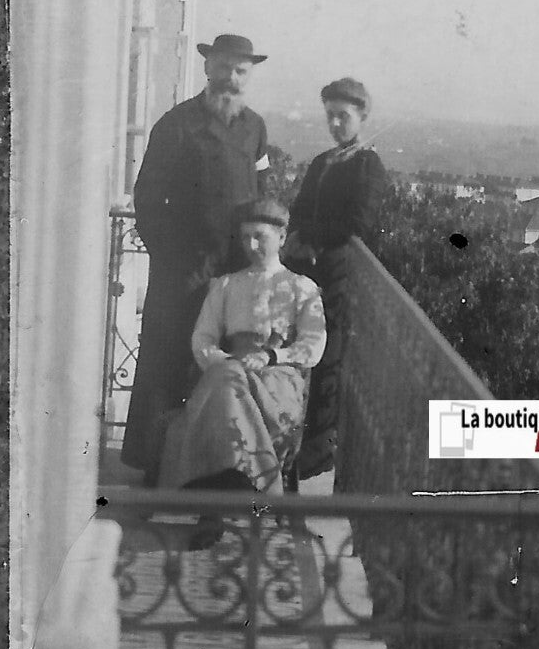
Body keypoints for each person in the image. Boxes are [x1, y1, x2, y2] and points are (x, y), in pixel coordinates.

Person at [121, 33, 272, 481]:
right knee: (167, 359)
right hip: (182, 271)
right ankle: (154, 467)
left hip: (234, 272)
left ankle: (215, 472)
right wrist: (169, 255)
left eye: (240, 70)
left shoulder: (255, 128)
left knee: (224, 367)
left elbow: (262, 194)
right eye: (223, 67)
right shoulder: (177, 124)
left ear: (249, 76)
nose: (231, 77)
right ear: (207, 69)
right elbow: (146, 198)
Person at [156, 198, 326, 512]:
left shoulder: (301, 288)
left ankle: (214, 503)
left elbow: (312, 347)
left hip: (277, 382)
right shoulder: (226, 286)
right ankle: (240, 490)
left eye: (259, 236)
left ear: (282, 238)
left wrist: (273, 357)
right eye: (245, 236)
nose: (250, 244)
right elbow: (203, 338)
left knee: (223, 391)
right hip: (229, 371)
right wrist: (224, 360)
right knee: (227, 380)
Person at [283, 77, 388, 481]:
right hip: (309, 273)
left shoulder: (367, 165)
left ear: (362, 117)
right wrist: (298, 235)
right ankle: (290, 444)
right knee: (302, 353)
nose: (336, 124)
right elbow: (300, 208)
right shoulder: (324, 162)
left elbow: (358, 222)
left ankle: (314, 456)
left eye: (343, 116)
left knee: (329, 359)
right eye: (330, 116)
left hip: (340, 278)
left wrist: (311, 237)